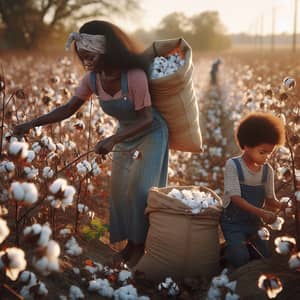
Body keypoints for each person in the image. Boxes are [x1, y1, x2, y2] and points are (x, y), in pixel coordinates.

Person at [13, 20, 169, 267]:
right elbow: (67, 109)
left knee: (139, 192)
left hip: (150, 133)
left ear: (106, 50)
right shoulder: (93, 80)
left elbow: (148, 120)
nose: (85, 60)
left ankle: (140, 248)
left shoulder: (134, 76)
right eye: (81, 55)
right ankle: (130, 245)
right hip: (123, 135)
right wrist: (31, 124)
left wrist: (112, 139)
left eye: (89, 55)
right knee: (120, 191)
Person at [221, 112, 286, 268]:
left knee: (264, 257)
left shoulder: (267, 171)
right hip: (233, 224)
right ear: (247, 146)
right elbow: (235, 198)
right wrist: (262, 213)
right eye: (262, 152)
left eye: (269, 153)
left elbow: (270, 200)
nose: (266, 157)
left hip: (255, 224)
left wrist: (284, 206)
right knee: (240, 259)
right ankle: (227, 251)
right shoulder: (233, 165)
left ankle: (240, 246)